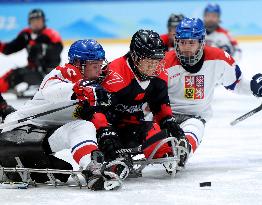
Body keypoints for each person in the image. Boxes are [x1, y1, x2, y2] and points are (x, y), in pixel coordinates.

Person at [0, 39, 128, 191]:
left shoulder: (94, 87)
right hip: (16, 131)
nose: (99, 71)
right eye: (95, 66)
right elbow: (51, 92)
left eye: (101, 65)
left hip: (43, 137)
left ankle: (92, 168)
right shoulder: (61, 73)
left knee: (83, 126)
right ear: (80, 64)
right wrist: (79, 88)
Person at [164, 17, 262, 165]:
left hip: (194, 117)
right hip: (164, 115)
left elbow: (237, 83)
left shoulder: (219, 59)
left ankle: (182, 152)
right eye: (182, 42)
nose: (185, 47)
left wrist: (260, 88)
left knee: (195, 127)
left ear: (201, 42)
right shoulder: (164, 62)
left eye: (191, 42)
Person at [99, 29, 188, 173]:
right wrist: (106, 136)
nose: (153, 67)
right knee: (115, 163)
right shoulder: (114, 75)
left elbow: (160, 105)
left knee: (158, 135)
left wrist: (171, 124)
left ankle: (164, 152)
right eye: (148, 61)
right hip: (109, 128)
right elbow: (97, 112)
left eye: (157, 61)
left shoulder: (160, 74)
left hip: (134, 126)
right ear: (134, 56)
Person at [0, 9, 63, 98]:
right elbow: (9, 49)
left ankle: (43, 86)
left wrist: (41, 48)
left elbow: (56, 52)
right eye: (33, 21)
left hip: (48, 73)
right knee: (10, 77)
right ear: (29, 22)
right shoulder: (26, 34)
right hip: (31, 70)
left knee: (21, 74)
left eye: (38, 20)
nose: (36, 23)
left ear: (44, 21)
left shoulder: (51, 34)